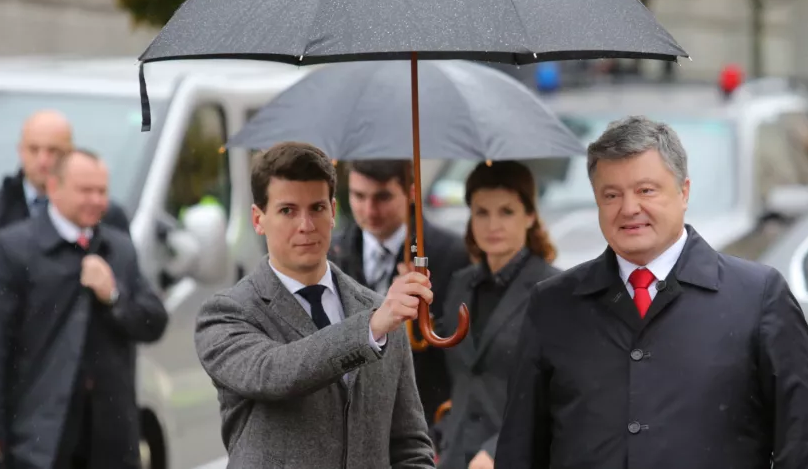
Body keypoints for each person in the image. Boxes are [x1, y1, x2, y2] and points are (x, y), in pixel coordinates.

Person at [494, 116, 808, 469]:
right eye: (612, 195)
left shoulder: (758, 298)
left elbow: (807, 448)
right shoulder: (553, 306)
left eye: (646, 190)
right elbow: (519, 451)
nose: (629, 209)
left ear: (683, 192)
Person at [194, 142, 435, 469]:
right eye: (287, 210)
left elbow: (409, 446)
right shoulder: (226, 313)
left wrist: (378, 323)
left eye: (317, 208)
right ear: (258, 218)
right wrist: (371, 328)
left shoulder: (379, 312)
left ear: (333, 212)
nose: (306, 225)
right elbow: (275, 373)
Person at [0, 149, 168, 469]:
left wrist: (113, 295)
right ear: (53, 188)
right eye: (85, 191)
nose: (96, 200)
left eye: (101, 191)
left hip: (109, 435)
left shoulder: (118, 248)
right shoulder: (11, 249)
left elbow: (153, 322)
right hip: (37, 435)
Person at [0, 110, 130, 423]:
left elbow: (132, 293)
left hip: (75, 384)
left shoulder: (103, 214)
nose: (43, 160)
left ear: (71, 154)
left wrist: (113, 294)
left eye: (54, 151)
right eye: (34, 149)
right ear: (20, 150)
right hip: (4, 370)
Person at [435, 161, 560, 469]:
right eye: (482, 212)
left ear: (530, 216)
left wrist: (497, 449)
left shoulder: (553, 289)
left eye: (506, 212)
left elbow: (557, 391)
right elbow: (453, 375)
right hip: (455, 458)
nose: (493, 225)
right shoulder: (459, 284)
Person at [328, 159, 469, 432]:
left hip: (425, 422)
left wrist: (424, 316)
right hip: (352, 423)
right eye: (359, 196)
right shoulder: (333, 255)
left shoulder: (450, 254)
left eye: (383, 197)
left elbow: (461, 354)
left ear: (411, 192)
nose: (370, 210)